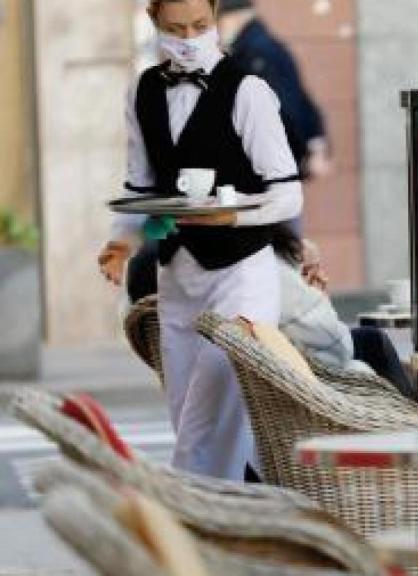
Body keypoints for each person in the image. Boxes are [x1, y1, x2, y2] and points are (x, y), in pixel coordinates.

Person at [98, 0, 302, 480]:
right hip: (178, 278)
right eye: (175, 28)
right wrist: (121, 244)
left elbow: (287, 194)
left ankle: (189, 518)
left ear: (214, 17)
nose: (188, 38)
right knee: (190, 415)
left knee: (205, 421)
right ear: (154, 23)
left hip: (242, 276)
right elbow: (141, 186)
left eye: (200, 26)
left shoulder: (248, 92)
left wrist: (231, 217)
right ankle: (245, 520)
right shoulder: (142, 92)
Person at [217, 0, 330, 183]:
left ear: (234, 18)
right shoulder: (263, 48)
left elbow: (282, 108)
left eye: (218, 21)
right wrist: (314, 144)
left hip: (268, 169)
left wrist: (303, 154)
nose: (216, 29)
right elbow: (301, 99)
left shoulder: (256, 55)